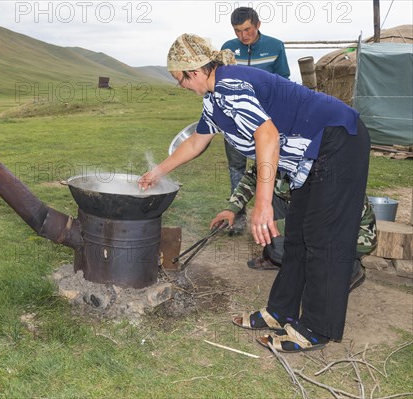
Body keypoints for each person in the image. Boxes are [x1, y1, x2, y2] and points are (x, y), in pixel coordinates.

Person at [138, 33, 371, 353]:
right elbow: (196, 141)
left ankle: (318, 328)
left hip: (337, 140)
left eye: (179, 80)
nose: (181, 87)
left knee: (323, 238)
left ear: (193, 72)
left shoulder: (230, 86)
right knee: (298, 237)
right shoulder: (214, 98)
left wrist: (262, 204)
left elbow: (267, 135)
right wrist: (157, 172)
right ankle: (280, 312)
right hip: (311, 155)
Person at [210, 164, 377, 292]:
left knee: (317, 272)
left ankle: (350, 269)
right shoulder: (273, 152)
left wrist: (276, 226)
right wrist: (231, 209)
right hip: (308, 219)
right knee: (269, 192)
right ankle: (279, 256)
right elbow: (252, 178)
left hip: (350, 234)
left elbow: (318, 218)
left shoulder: (319, 165)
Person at [220, 7, 291, 235]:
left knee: (269, 166)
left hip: (267, 122)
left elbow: (283, 82)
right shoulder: (227, 49)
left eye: (247, 29)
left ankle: (271, 214)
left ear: (258, 25)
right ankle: (237, 216)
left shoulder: (275, 46)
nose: (243, 36)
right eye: (238, 31)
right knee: (236, 166)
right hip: (235, 121)